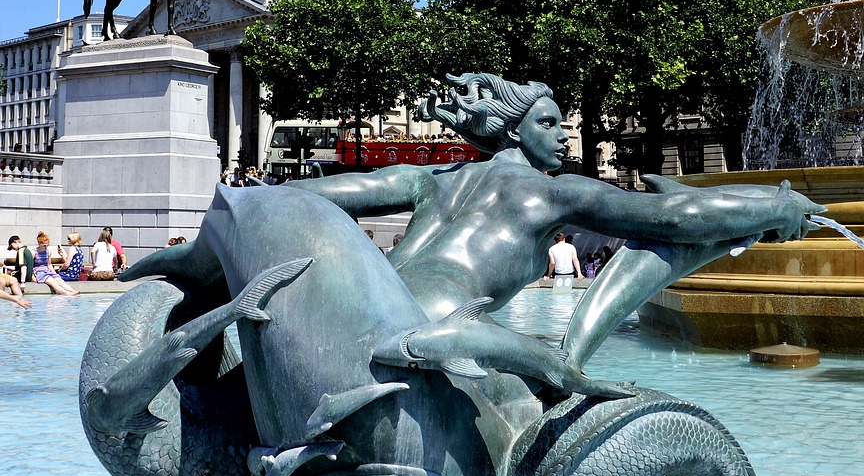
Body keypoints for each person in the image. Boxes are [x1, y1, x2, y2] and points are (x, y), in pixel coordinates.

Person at [289, 72, 820, 376]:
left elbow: (295, 199)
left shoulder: (430, 179)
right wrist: (779, 209)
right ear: (512, 131)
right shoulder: (551, 191)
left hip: (352, 318)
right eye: (548, 122)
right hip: (439, 335)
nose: (563, 134)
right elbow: (678, 216)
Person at [32, 232, 79, 296]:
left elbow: (49, 265)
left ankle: (72, 291)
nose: (46, 247)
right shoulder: (34, 252)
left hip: (46, 270)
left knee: (59, 280)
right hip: (39, 272)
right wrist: (32, 276)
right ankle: (66, 293)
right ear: (39, 244)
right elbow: (31, 266)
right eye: (44, 245)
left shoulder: (48, 252)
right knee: (52, 281)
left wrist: (54, 273)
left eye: (47, 245)